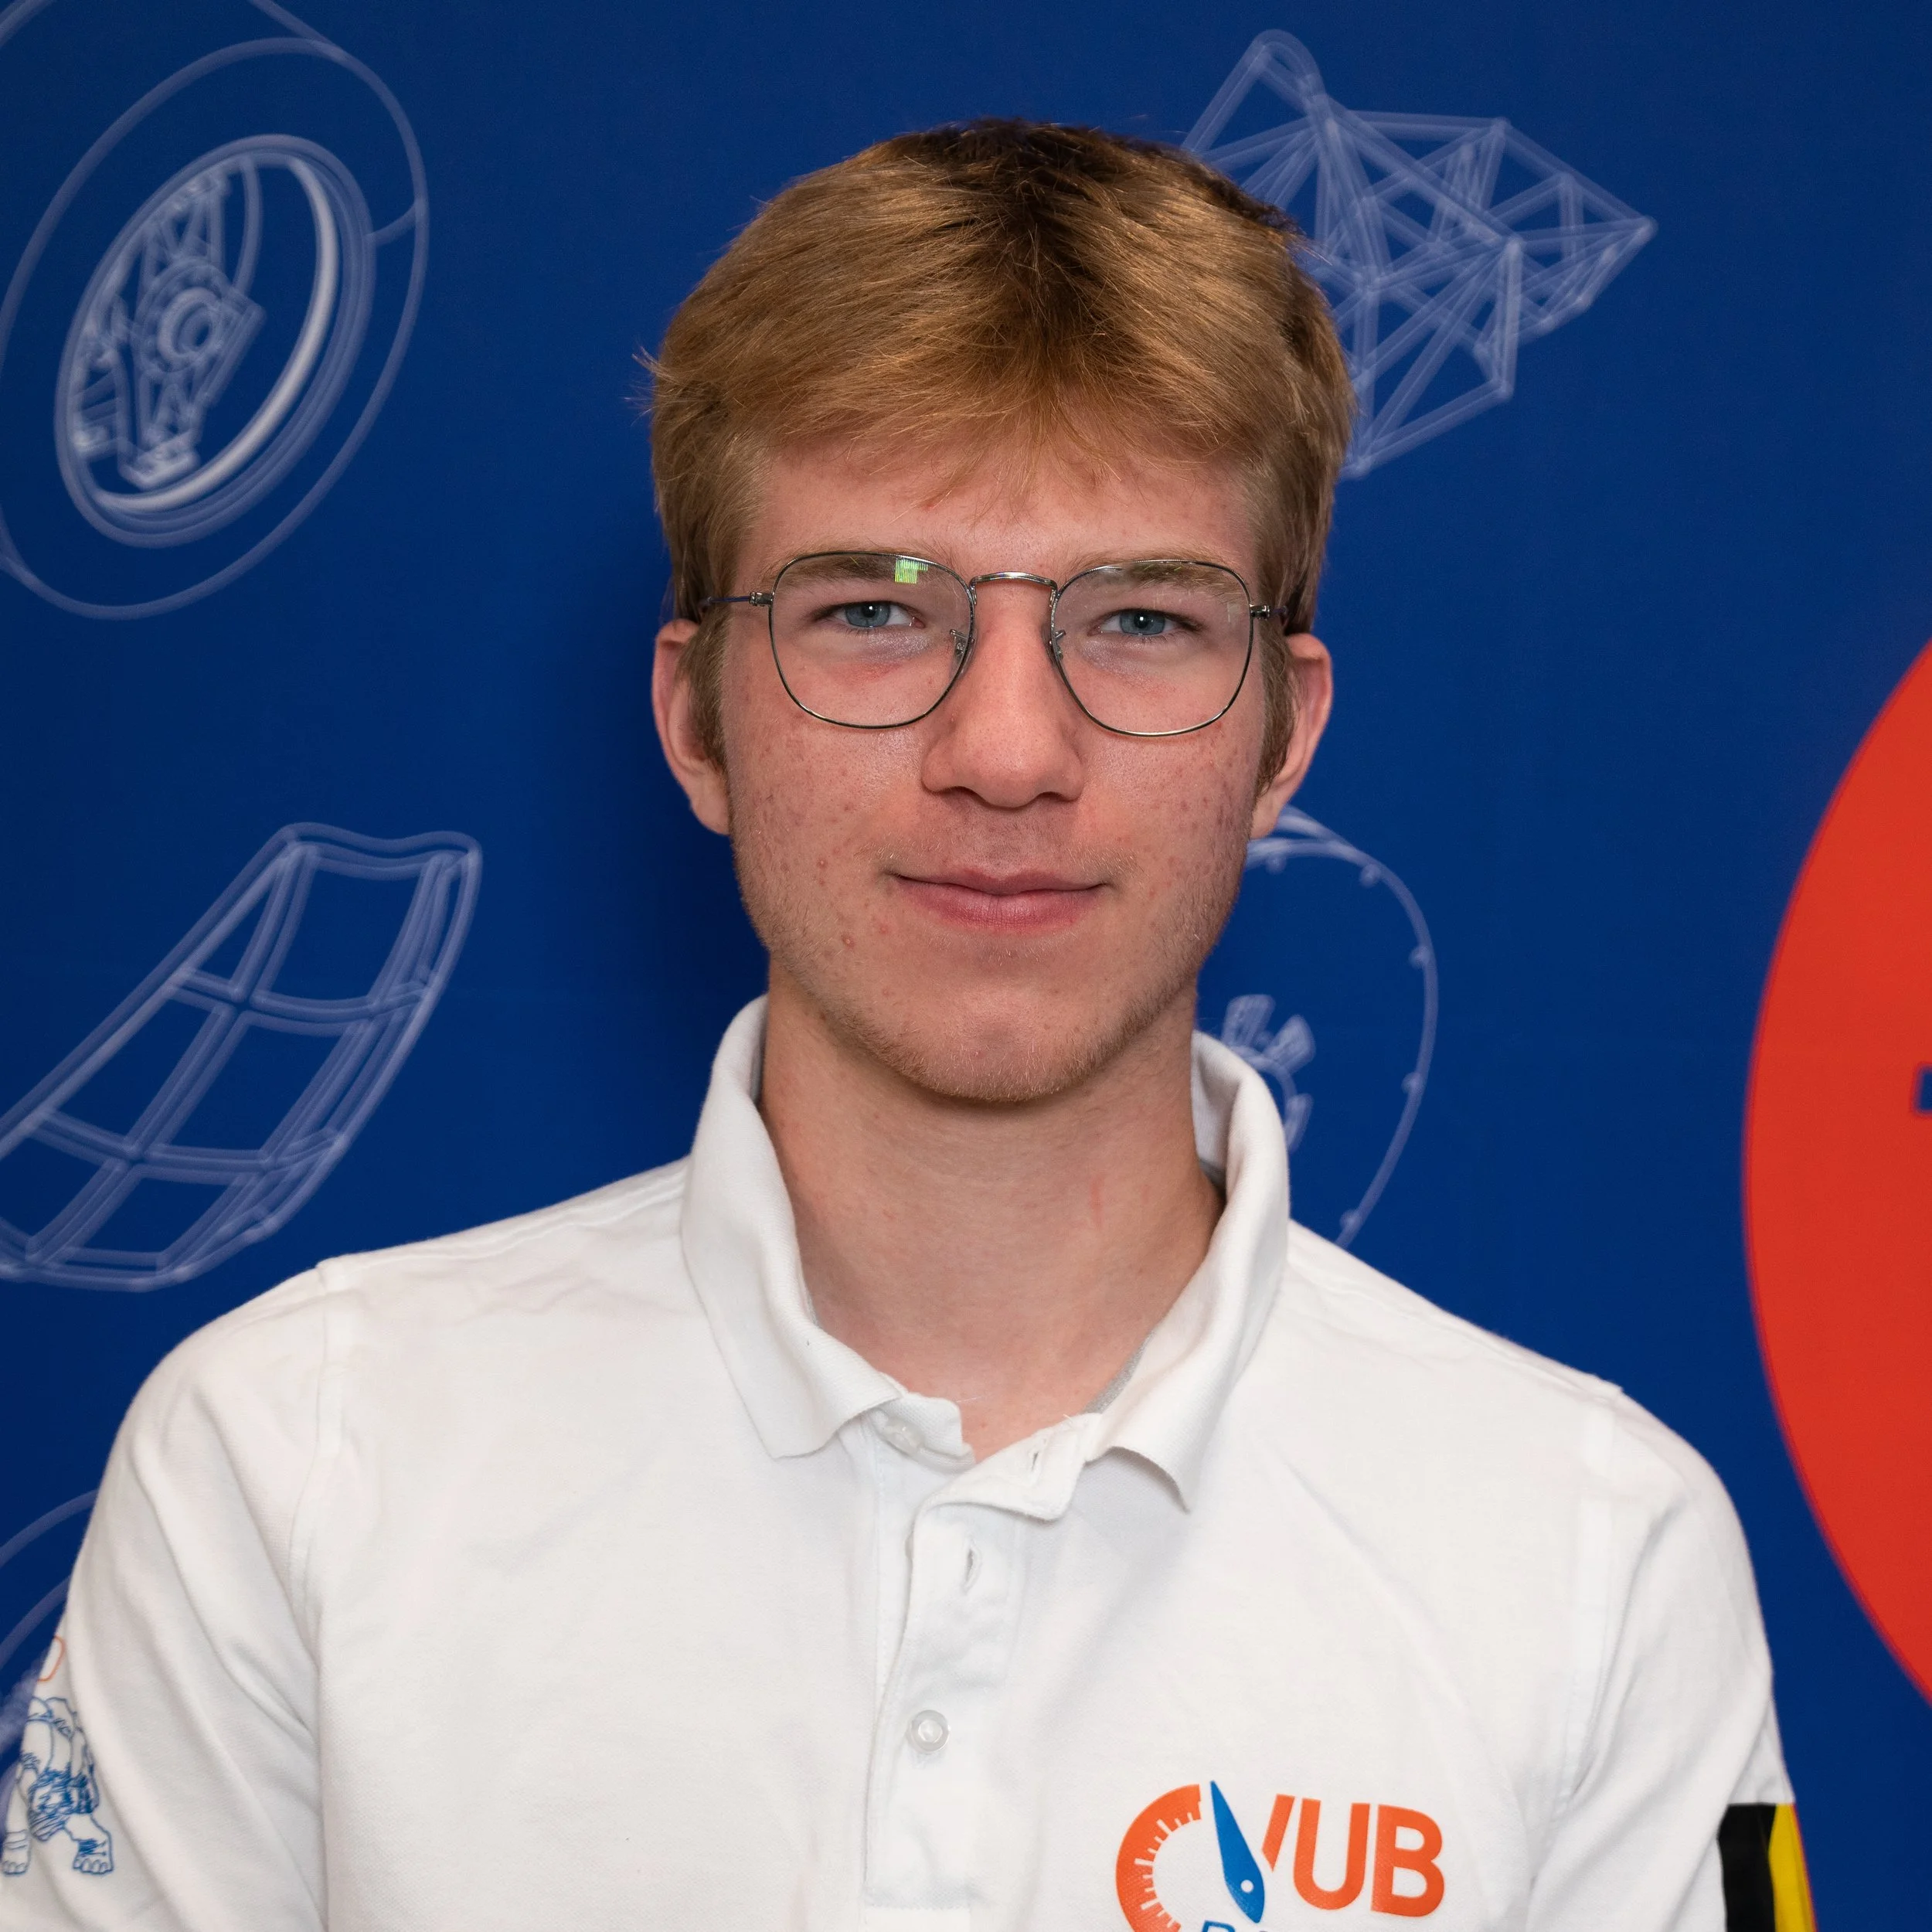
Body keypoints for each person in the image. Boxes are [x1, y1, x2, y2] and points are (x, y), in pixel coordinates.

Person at [0, 122, 1810, 1932]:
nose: (1005, 751)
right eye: (872, 611)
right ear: (696, 719)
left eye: (1140, 618)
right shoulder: (294, 1461)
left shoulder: (1596, 1560)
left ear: (1281, 735)